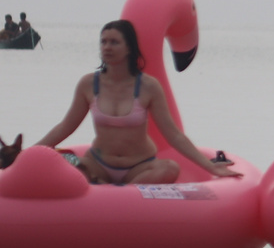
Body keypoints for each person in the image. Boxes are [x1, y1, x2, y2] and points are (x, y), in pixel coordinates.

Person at [33, 19, 240, 185]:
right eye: (103, 42)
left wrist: (210, 167)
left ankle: (116, 195)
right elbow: (65, 127)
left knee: (170, 169)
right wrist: (28, 154)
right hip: (97, 163)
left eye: (114, 42)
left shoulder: (148, 86)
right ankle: (107, 190)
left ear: (129, 48)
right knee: (62, 167)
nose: (107, 47)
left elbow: (174, 135)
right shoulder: (89, 84)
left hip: (139, 168)